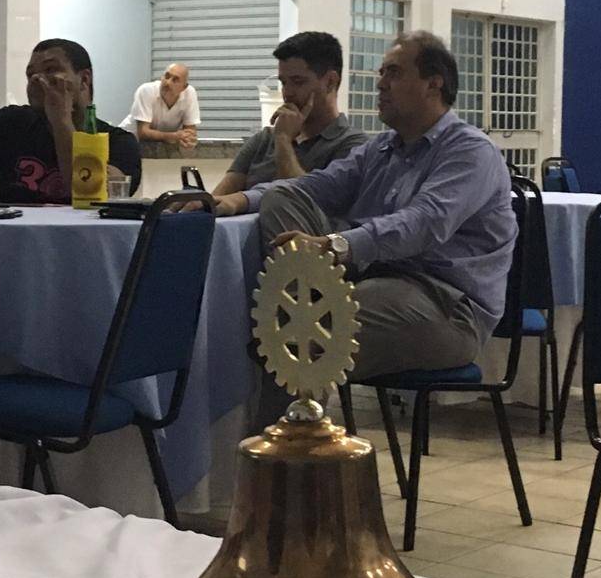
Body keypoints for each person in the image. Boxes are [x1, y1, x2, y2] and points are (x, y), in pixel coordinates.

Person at [211, 30, 516, 427]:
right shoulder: (381, 148)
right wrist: (230, 202)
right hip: (367, 284)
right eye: (381, 73)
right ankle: (291, 437)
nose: (380, 83)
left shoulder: (470, 151)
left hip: (444, 304)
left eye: (394, 73)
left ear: (433, 84)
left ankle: (283, 457)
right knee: (282, 198)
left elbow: (423, 222)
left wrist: (335, 246)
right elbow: (311, 187)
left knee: (298, 330)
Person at [0, 38, 141, 204]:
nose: (37, 78)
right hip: (13, 235)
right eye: (30, 74)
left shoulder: (120, 142)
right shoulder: (9, 123)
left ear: (84, 80)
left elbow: (90, 191)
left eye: (51, 70)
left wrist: (61, 121)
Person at [212, 31, 367, 195]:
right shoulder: (263, 140)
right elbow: (219, 198)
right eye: (284, 83)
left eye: (298, 82)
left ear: (330, 82)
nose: (288, 93)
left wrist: (284, 141)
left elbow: (300, 201)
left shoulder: (353, 146)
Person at [121, 63, 200, 147]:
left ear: (184, 87)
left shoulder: (190, 93)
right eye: (167, 76)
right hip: (126, 140)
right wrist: (173, 136)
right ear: (161, 77)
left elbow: (190, 130)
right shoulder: (146, 90)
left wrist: (188, 139)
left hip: (156, 145)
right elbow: (143, 132)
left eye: (175, 80)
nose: (168, 82)